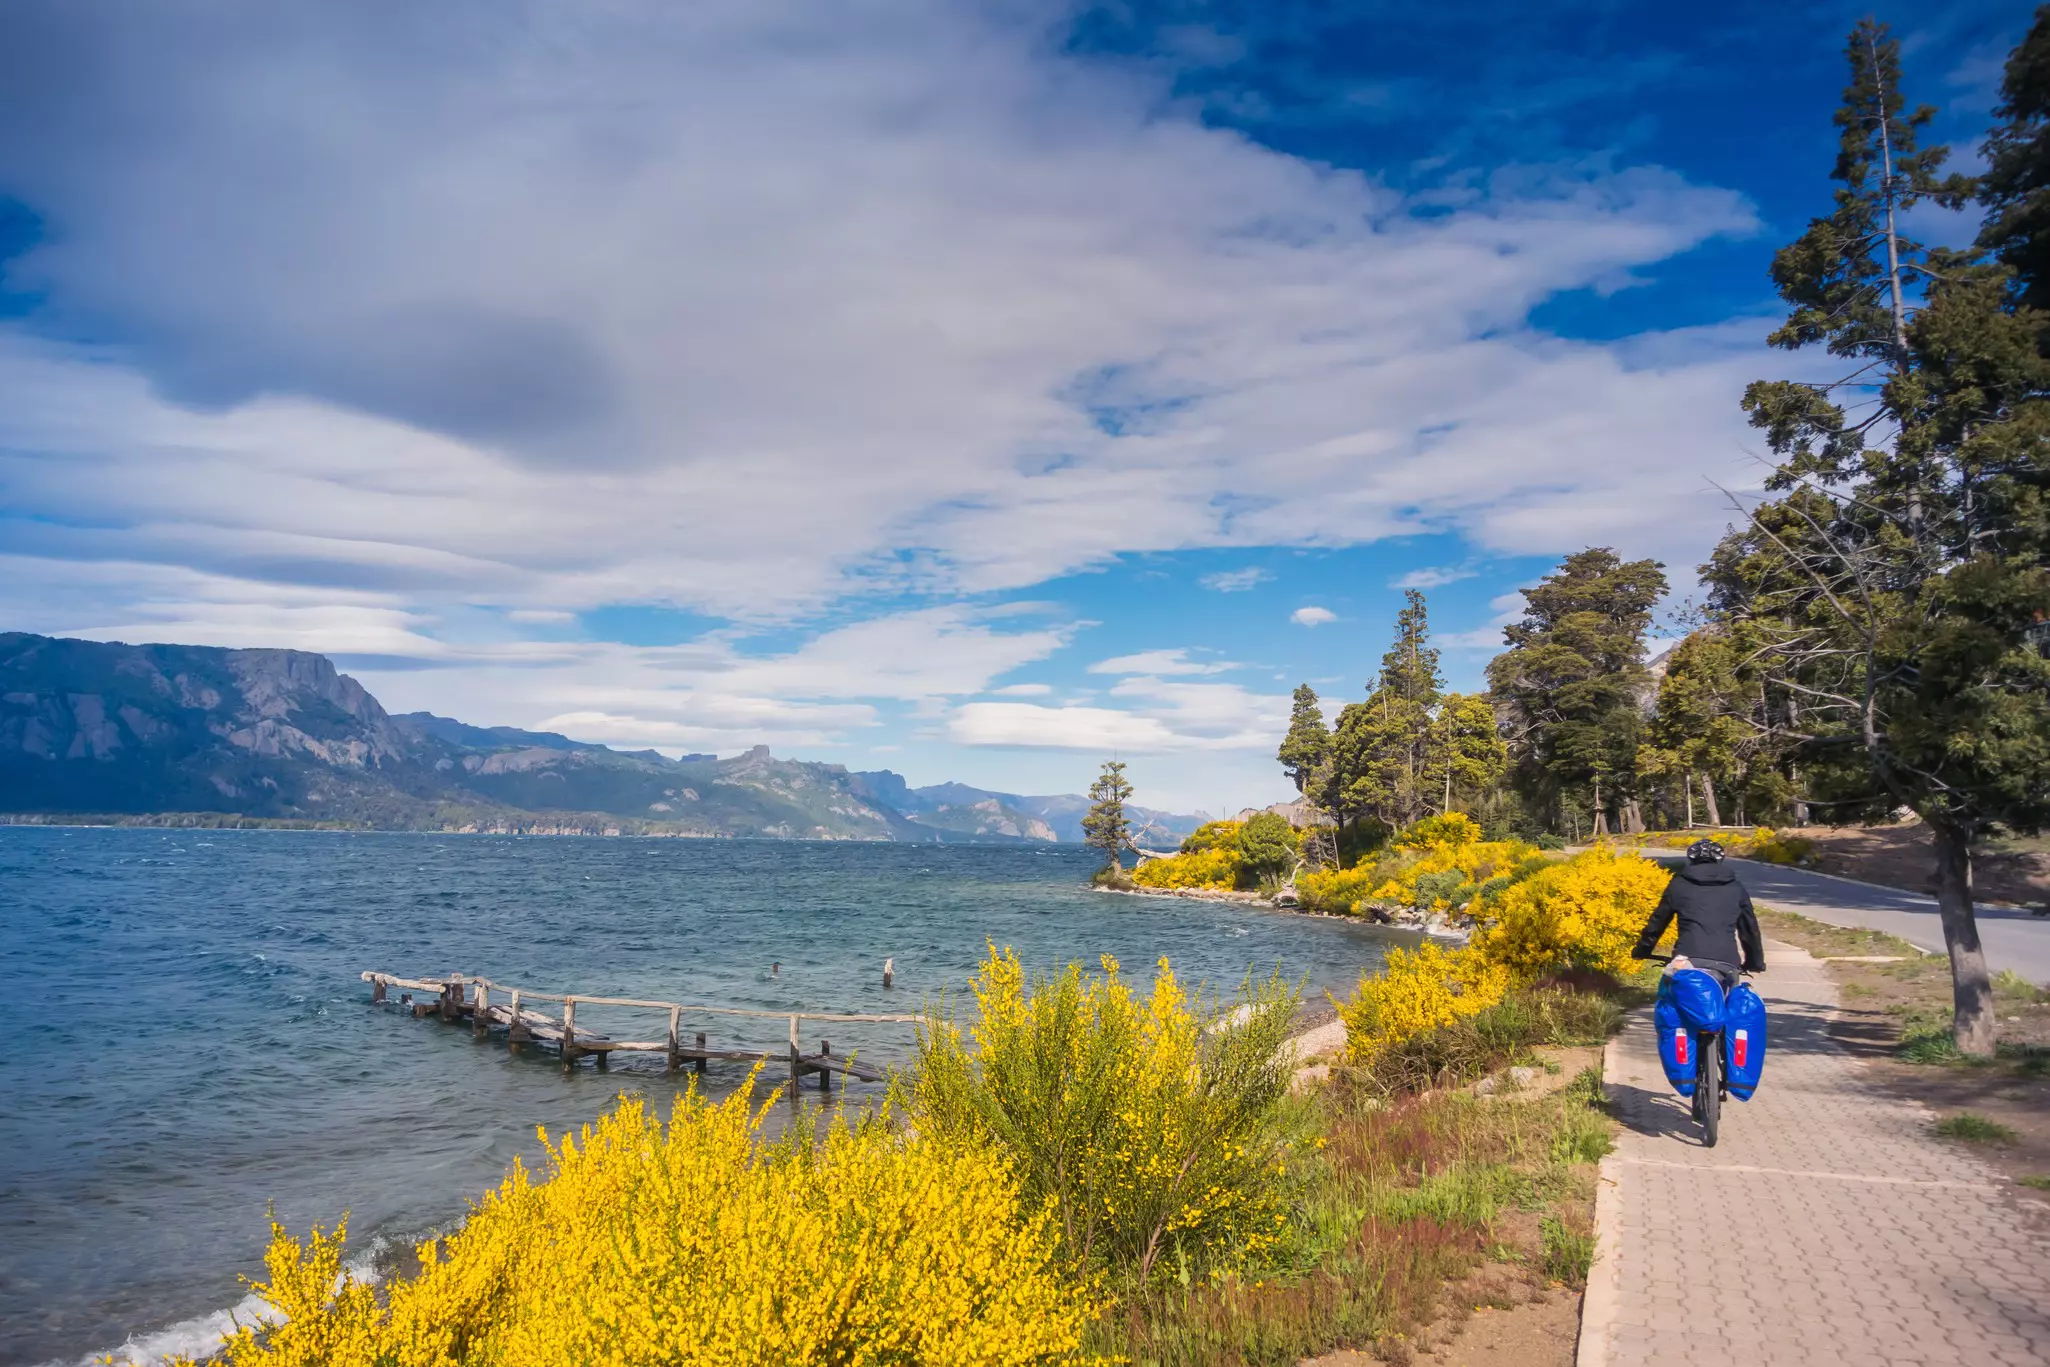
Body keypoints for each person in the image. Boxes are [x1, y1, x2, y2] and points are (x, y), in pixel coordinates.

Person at [1631, 838, 1766, 988]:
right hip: (1726, 961)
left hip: (1687, 959)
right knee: (1729, 1005)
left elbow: (1657, 923)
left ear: (1691, 861)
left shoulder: (1678, 885)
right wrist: (1755, 962)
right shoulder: (1736, 888)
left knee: (1673, 1001)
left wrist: (1642, 950)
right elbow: (1749, 929)